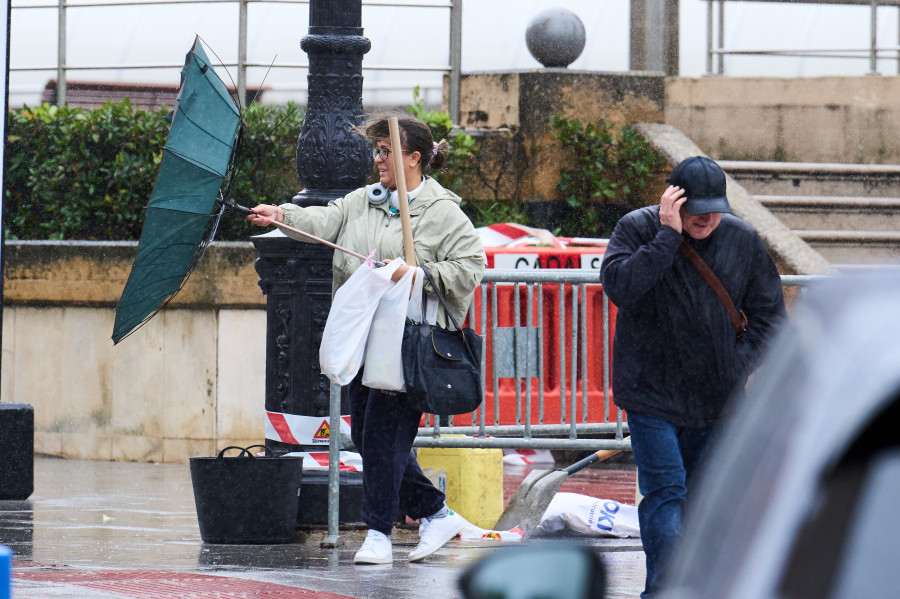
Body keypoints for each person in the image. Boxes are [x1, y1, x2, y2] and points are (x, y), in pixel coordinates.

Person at [248, 113, 485, 565]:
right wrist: (282, 215)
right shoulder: (365, 201)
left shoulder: (442, 212)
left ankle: (377, 532)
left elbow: (470, 266)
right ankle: (435, 513)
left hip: (405, 346)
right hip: (363, 338)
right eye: (376, 151)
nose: (377, 159)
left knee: (381, 435)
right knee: (368, 433)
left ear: (413, 158)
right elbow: (327, 219)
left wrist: (417, 272)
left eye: (385, 151)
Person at [599, 156, 786, 597]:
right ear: (672, 200)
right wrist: (667, 236)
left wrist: (734, 365)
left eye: (715, 207)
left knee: (706, 502)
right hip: (650, 394)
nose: (706, 217)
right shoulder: (638, 229)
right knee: (666, 492)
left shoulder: (742, 239)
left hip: (717, 398)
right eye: (695, 207)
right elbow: (620, 288)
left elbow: (771, 318)